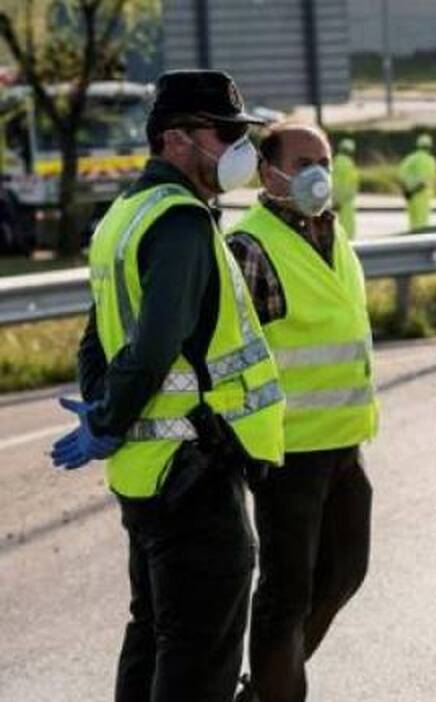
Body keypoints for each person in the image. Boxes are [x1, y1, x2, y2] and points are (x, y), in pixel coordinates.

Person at [50, 69, 285, 701]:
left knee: (154, 634)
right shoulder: (181, 223)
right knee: (197, 657)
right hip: (195, 475)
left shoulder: (125, 214)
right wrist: (106, 418)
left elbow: (97, 336)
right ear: (176, 139)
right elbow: (152, 349)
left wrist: (105, 413)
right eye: (226, 133)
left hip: (146, 471)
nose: (239, 148)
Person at [225, 123, 378, 702]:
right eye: (304, 161)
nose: (318, 172)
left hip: (343, 441)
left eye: (325, 160)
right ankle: (275, 693)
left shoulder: (332, 234)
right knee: (287, 592)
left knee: (345, 571)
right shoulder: (250, 246)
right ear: (269, 172)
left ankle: (263, 688)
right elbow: (232, 351)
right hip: (287, 450)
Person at [399, 132, 436, 231]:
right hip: (422, 196)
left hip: (410, 197)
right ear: (430, 147)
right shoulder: (430, 161)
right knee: (422, 225)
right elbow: (426, 181)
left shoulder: (410, 159)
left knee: (412, 224)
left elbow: (401, 175)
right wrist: (414, 191)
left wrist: (406, 191)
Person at [332, 138, 360, 239]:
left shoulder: (334, 162)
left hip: (336, 198)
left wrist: (334, 199)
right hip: (346, 200)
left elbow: (333, 181)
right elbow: (352, 183)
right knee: (347, 225)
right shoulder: (349, 164)